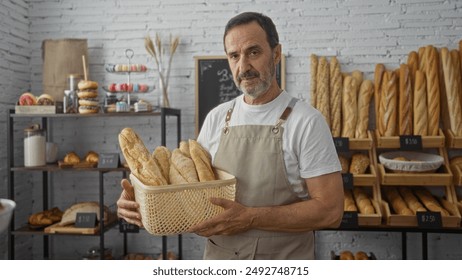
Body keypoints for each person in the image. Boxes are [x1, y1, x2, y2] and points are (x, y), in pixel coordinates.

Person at [117, 11, 343, 260]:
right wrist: (142, 202)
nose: (243, 67)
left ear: (276, 54)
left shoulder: (306, 122)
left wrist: (250, 217)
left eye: (253, 52)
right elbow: (191, 194)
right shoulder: (217, 118)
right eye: (234, 56)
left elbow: (330, 211)